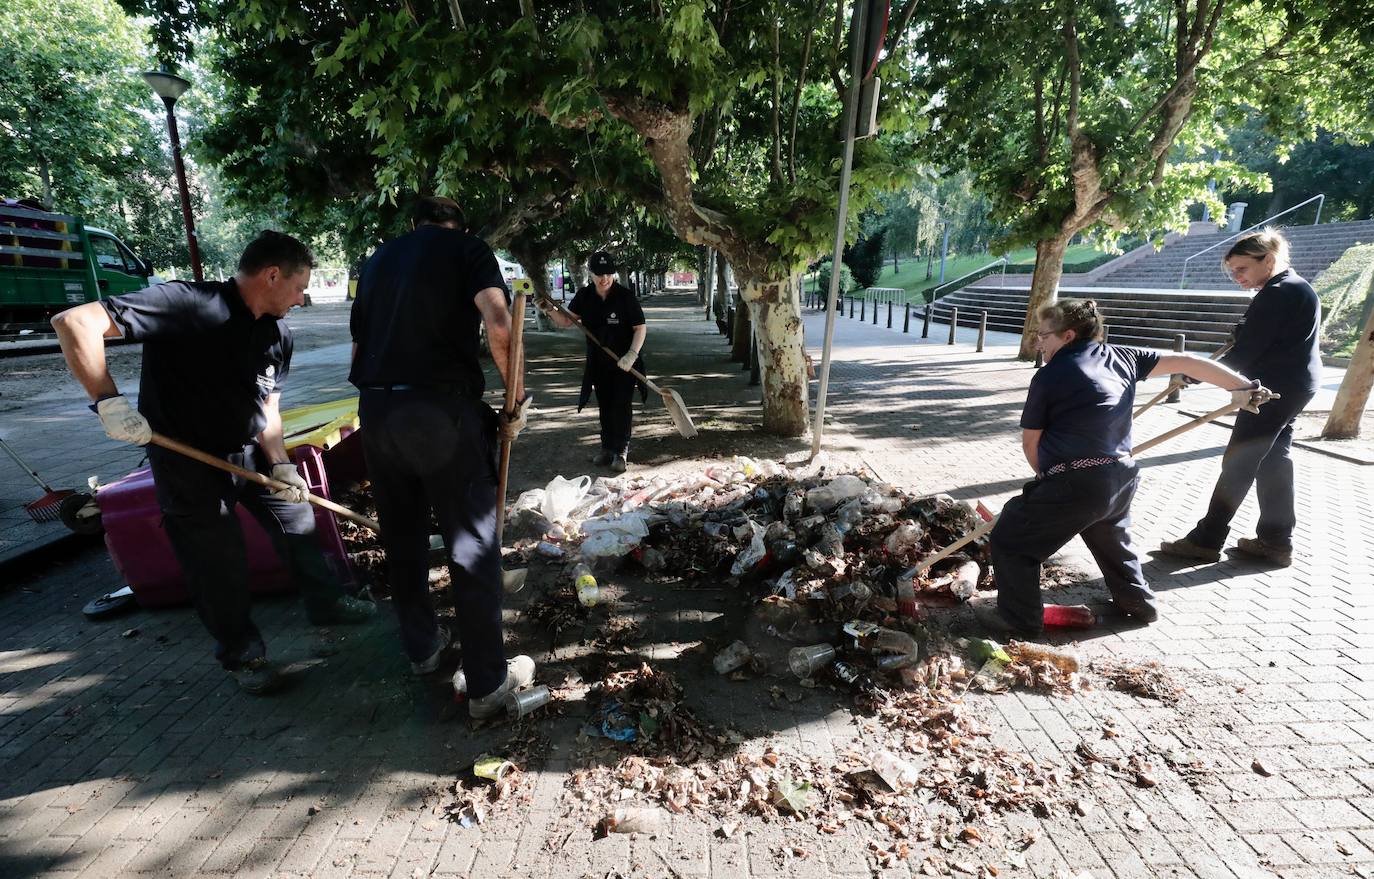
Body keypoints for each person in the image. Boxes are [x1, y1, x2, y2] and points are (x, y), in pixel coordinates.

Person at [50, 231, 376, 694]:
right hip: (186, 463)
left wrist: (281, 465)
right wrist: (108, 401)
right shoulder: (187, 303)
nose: (303, 299)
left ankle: (326, 602)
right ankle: (243, 658)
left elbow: (269, 409)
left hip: (248, 454)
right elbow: (73, 322)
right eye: (301, 287)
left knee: (298, 519)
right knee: (216, 562)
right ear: (272, 275)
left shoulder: (276, 334)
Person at [978, 299, 1268, 638]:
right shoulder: (1123, 356)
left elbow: (1031, 444)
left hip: (1076, 481)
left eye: (1043, 336)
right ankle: (1137, 601)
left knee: (1012, 539)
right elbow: (1189, 362)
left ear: (1068, 335)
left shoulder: (1049, 376)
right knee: (1110, 537)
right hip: (1120, 475)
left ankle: (1019, 620)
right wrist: (1244, 388)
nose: (1039, 343)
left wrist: (1045, 481)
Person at [349, 195, 533, 720]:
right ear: (459, 226)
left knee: (401, 537)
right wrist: (514, 400)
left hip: (378, 413)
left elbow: (358, 347)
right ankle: (487, 683)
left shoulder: (379, 259)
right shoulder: (468, 250)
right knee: (473, 544)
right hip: (440, 414)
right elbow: (500, 323)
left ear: (414, 225)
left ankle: (422, 648)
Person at [1159, 229, 1320, 568]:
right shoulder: (1291, 288)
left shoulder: (1279, 293)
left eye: (1242, 269)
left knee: (1240, 460)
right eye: (1233, 270)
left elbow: (1247, 351)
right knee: (1273, 460)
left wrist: (1198, 372)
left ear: (1269, 261)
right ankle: (1276, 541)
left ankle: (1207, 539)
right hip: (1292, 385)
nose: (1237, 277)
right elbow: (1256, 341)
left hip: (1271, 391)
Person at [537, 251, 647, 472]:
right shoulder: (585, 296)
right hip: (599, 362)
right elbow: (567, 321)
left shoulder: (625, 297)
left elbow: (640, 328)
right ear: (591, 274)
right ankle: (607, 449)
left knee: (621, 405)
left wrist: (632, 355)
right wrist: (549, 310)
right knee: (605, 404)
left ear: (613, 273)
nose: (603, 278)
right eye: (599, 274)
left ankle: (621, 451)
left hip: (624, 362)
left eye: (608, 274)